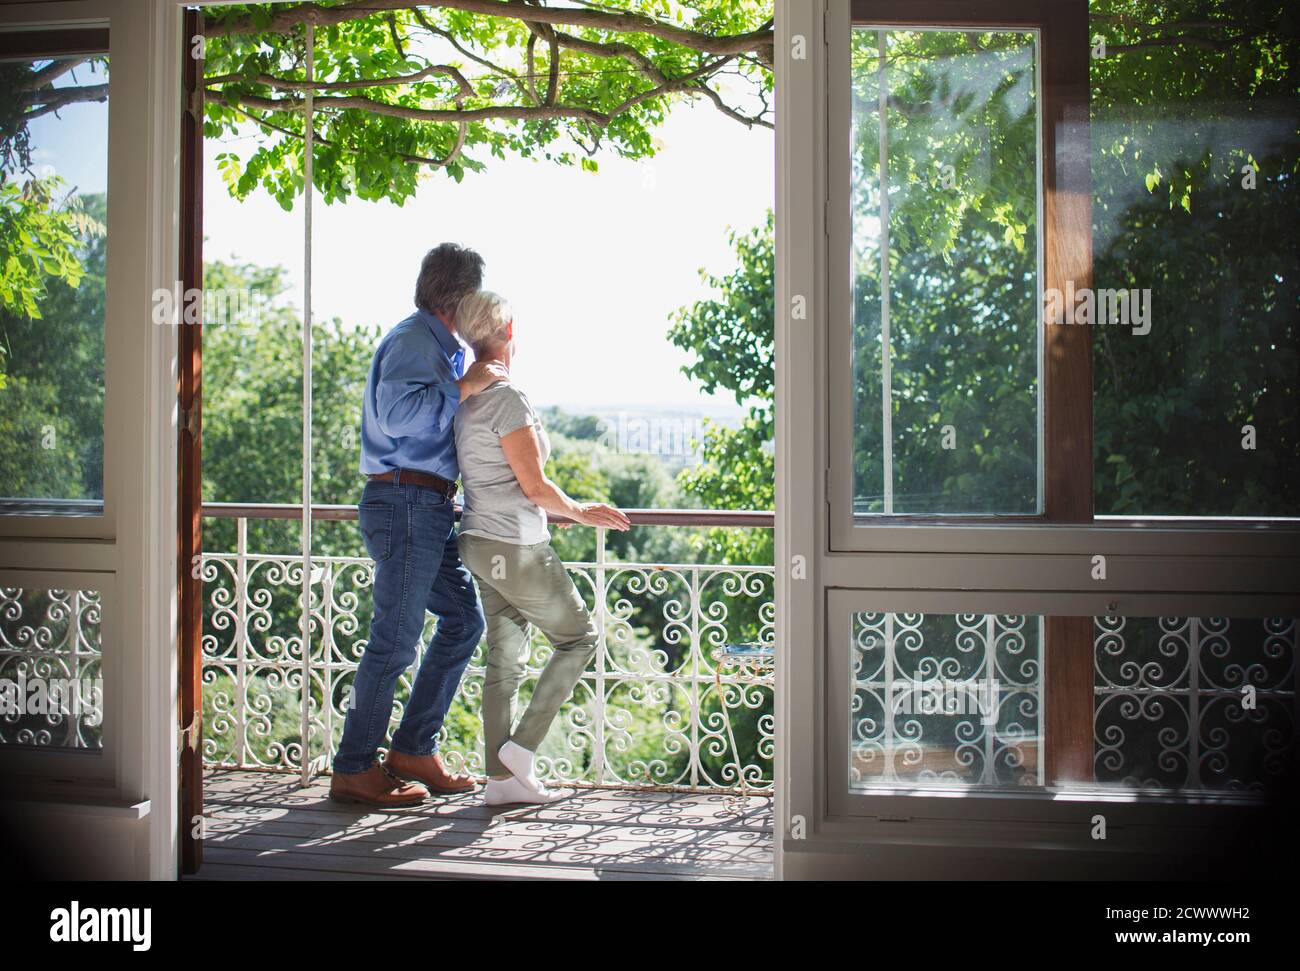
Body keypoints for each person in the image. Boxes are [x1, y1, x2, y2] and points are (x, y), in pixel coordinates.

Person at [330, 243, 507, 807]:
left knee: (462, 622)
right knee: (395, 641)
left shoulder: (440, 347)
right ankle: (354, 766)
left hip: (424, 508)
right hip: (406, 503)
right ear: (462, 296)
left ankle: (410, 749)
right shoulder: (413, 342)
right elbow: (398, 416)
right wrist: (464, 388)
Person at [453, 290, 631, 805]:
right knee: (579, 639)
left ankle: (502, 783)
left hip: (478, 542)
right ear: (510, 333)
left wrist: (556, 511)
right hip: (517, 545)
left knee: (504, 660)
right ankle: (522, 751)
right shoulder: (508, 399)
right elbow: (533, 486)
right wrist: (581, 510)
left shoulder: (464, 400)